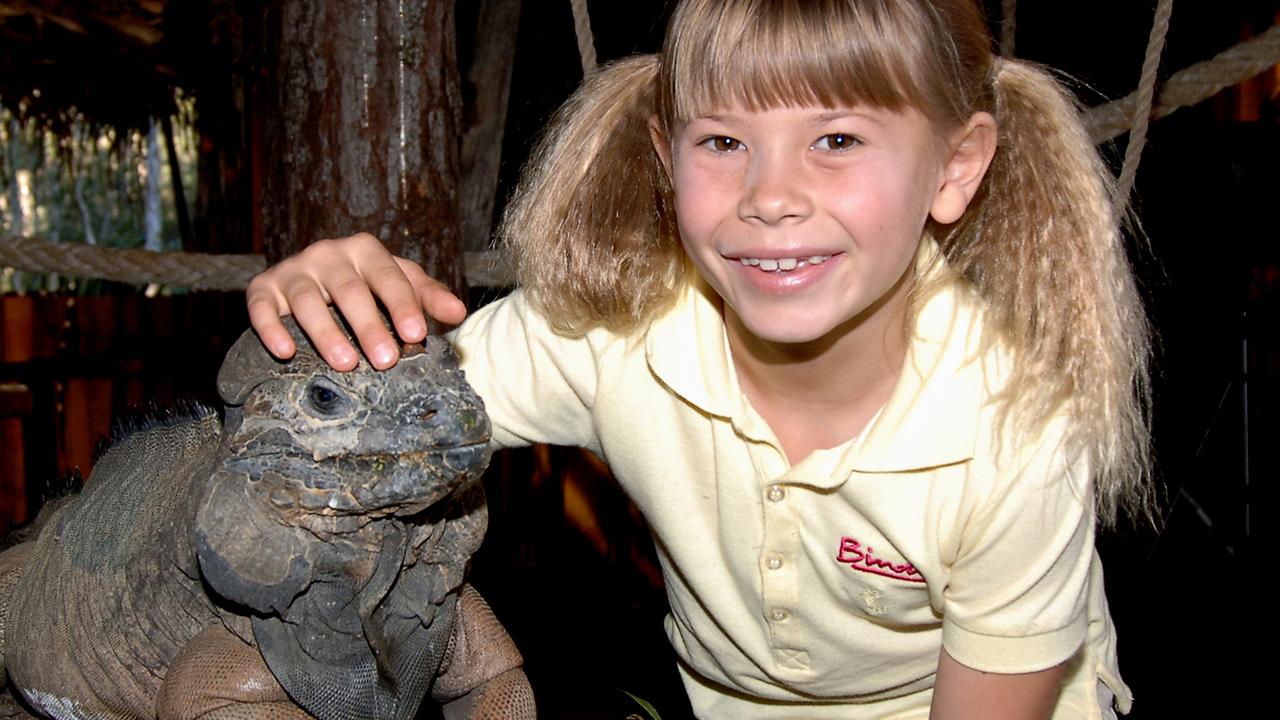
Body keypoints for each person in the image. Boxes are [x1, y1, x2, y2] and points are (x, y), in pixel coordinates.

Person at [246, 0, 1154, 717]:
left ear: (954, 169)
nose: (770, 198)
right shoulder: (612, 334)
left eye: (836, 140)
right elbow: (350, 431)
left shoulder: (1015, 424)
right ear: (664, 156)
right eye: (723, 142)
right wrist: (317, 325)